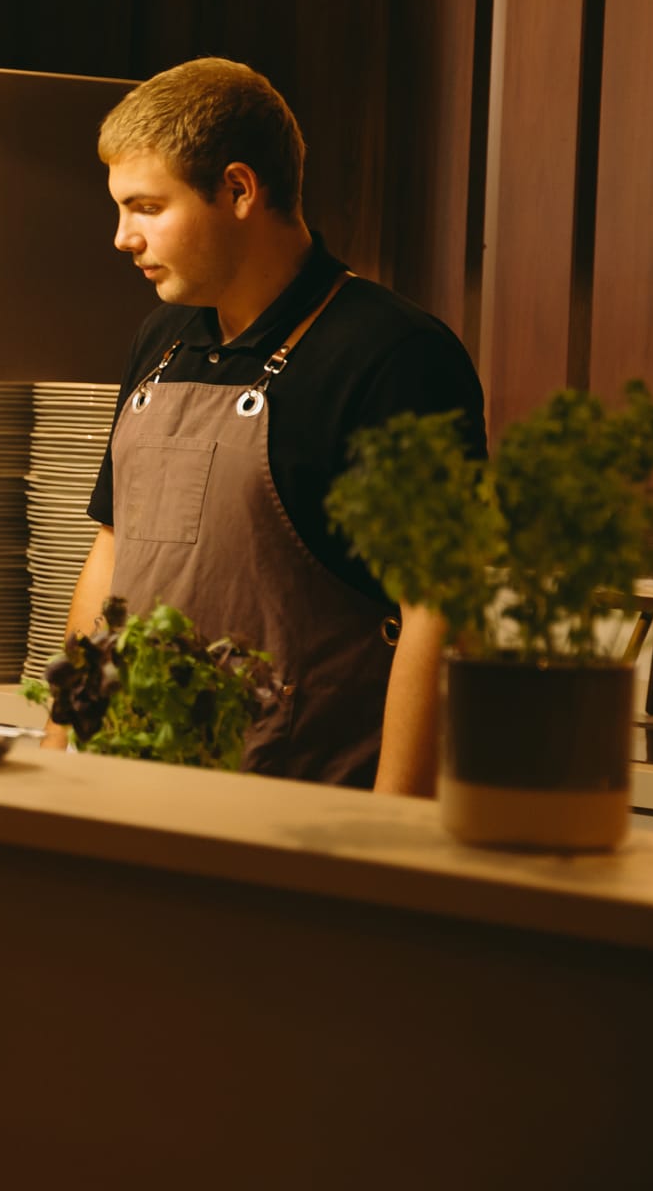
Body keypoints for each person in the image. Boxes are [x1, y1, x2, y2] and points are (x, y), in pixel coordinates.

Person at [43, 58, 486, 792]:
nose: (123, 237)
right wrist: (57, 752)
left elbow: (438, 611)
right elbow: (111, 551)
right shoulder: (160, 339)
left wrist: (393, 827)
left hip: (300, 807)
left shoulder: (394, 355)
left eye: (147, 207)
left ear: (239, 189)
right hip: (131, 789)